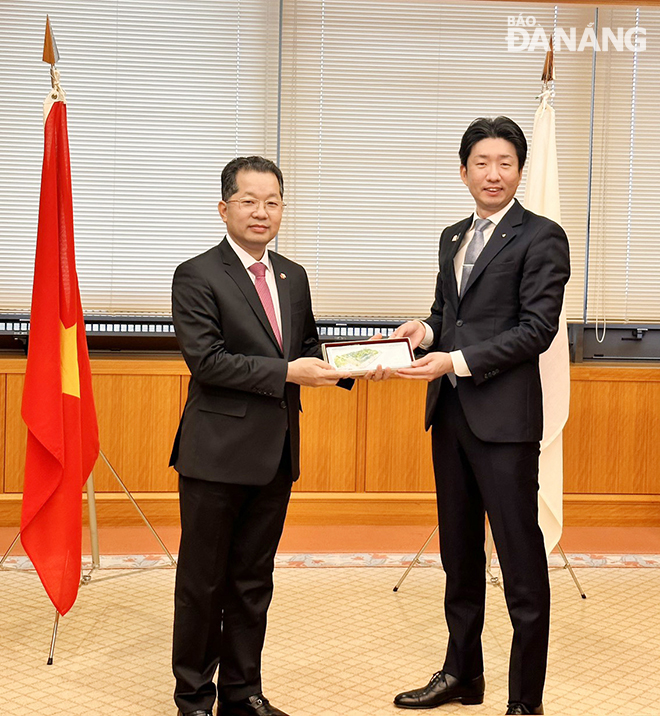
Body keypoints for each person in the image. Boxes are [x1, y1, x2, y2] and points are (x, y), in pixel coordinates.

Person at [384, 117, 570, 715]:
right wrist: (423, 329)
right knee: (458, 558)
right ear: (462, 170)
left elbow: (536, 330)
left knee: (521, 562)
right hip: (453, 417)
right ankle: (463, 674)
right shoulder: (452, 235)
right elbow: (448, 313)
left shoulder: (542, 236)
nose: (494, 174)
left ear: (519, 170)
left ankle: (525, 701)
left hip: (506, 423)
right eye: (482, 162)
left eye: (506, 163)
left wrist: (455, 359)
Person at [169, 156, 349, 716]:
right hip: (216, 456)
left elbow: (309, 348)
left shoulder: (293, 276)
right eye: (249, 201)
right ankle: (194, 697)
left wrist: (361, 362)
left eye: (272, 202)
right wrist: (288, 372)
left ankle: (243, 694)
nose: (261, 212)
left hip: (275, 455)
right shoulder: (197, 274)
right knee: (204, 583)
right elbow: (208, 362)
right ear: (224, 208)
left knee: (253, 580)